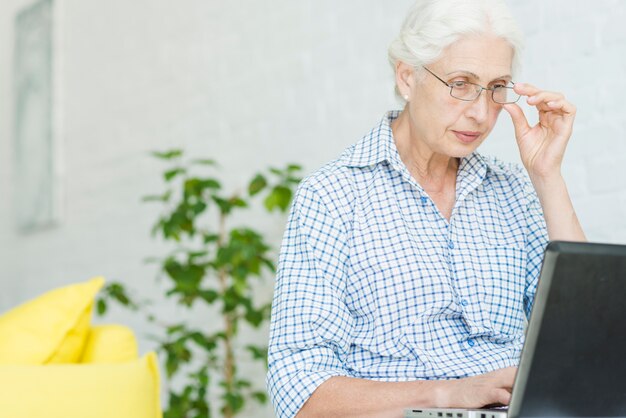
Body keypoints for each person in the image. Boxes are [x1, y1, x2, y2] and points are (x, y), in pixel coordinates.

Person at [266, 0, 586, 417]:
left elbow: (585, 335)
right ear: (407, 77)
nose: (480, 112)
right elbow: (300, 390)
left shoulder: (513, 190)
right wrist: (447, 394)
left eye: (496, 88)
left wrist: (547, 175)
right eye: (461, 83)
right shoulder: (333, 196)